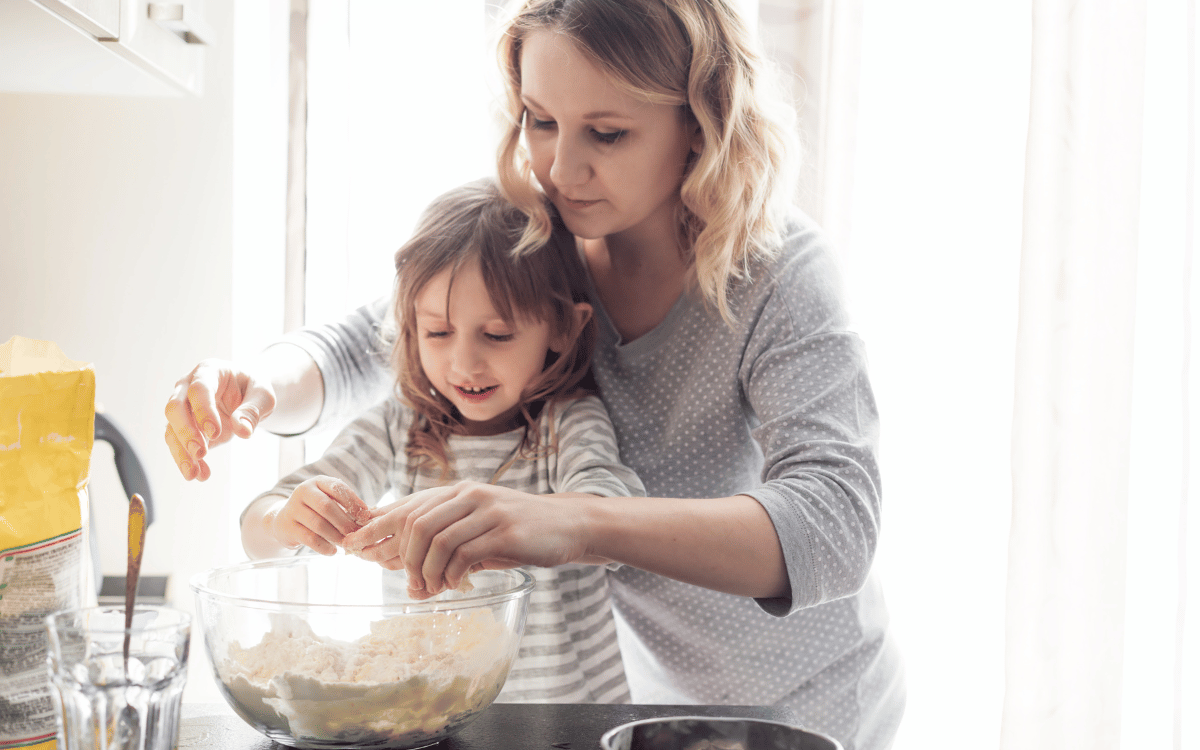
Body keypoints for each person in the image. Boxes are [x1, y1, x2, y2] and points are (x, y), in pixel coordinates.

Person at [164, 1, 905, 747]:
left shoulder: (777, 272)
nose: (559, 168)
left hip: (807, 703)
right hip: (647, 704)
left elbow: (834, 523)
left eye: (607, 134)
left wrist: (568, 521)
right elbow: (366, 341)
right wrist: (253, 388)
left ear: (701, 124)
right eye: (539, 120)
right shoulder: (545, 238)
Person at [238, 178, 644, 705]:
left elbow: (614, 518)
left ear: (563, 328)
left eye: (496, 335)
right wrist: (285, 518)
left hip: (567, 722)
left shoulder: (565, 426)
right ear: (409, 328)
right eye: (437, 332)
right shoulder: (397, 428)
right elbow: (257, 530)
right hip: (431, 715)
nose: (464, 363)